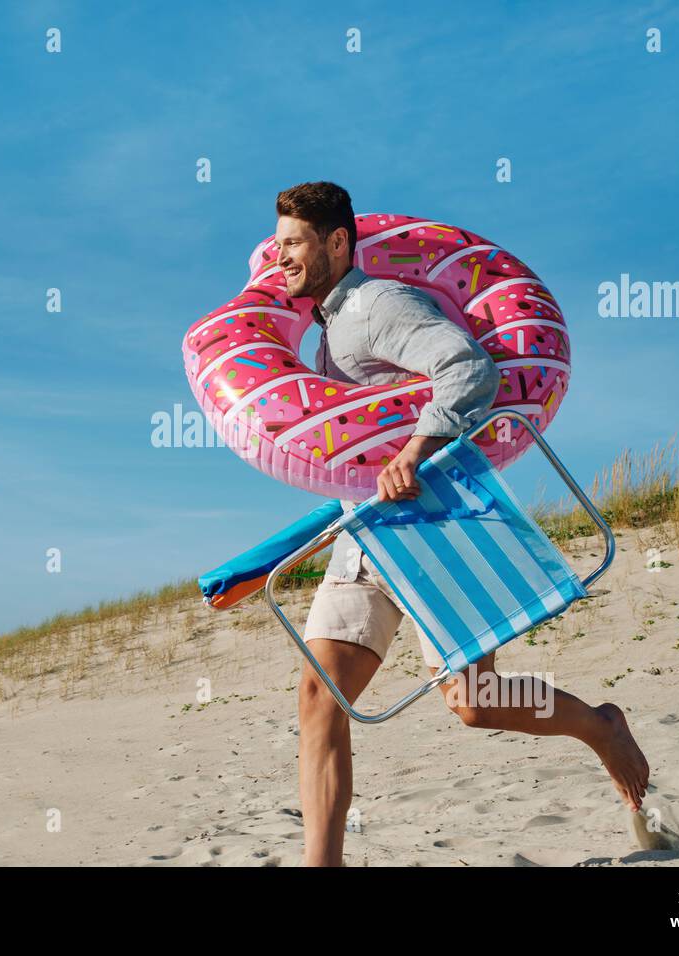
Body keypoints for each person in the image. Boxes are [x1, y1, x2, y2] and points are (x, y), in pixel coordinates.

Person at [275, 181, 650, 867]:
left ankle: (600, 726)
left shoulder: (378, 305)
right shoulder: (328, 334)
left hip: (437, 517)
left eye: (294, 243)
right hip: (369, 527)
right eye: (277, 245)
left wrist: (415, 451)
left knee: (473, 702)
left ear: (336, 242)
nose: (282, 258)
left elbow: (467, 369)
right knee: (318, 696)